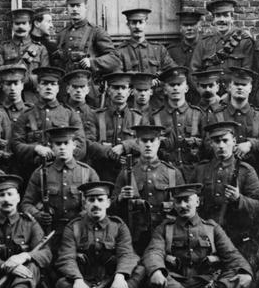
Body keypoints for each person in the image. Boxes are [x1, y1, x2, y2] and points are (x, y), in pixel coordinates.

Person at [142, 183, 253, 288]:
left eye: (187, 200)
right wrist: (156, 271)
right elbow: (154, 251)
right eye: (178, 201)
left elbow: (232, 254)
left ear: (197, 202)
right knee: (150, 271)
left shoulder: (212, 228)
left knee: (235, 274)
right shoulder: (165, 228)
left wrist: (246, 272)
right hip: (177, 283)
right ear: (173, 204)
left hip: (207, 283)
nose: (182, 206)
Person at [54, 181, 143, 288]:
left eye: (100, 200)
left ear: (108, 203)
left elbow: (126, 254)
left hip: (112, 282)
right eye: (91, 200)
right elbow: (66, 257)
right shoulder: (73, 227)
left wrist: (120, 277)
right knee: (61, 284)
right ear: (85, 204)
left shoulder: (118, 226)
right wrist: (77, 279)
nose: (96, 204)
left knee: (139, 270)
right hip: (85, 283)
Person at [192, 121, 259, 265]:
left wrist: (239, 199)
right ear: (211, 144)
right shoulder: (200, 170)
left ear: (234, 142)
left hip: (236, 239)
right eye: (216, 141)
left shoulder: (246, 171)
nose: (221, 145)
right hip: (206, 238)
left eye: (225, 140)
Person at [113, 125, 183, 255]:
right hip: (135, 238)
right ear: (137, 143)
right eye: (144, 141)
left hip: (165, 237)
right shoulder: (126, 172)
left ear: (159, 142)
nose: (148, 145)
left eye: (153, 140)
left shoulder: (172, 173)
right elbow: (111, 208)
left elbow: (184, 206)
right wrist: (121, 198)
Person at [21, 126, 99, 242]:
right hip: (49, 234)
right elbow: (26, 204)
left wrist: (85, 215)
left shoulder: (87, 172)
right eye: (58, 144)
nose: (62, 147)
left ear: (74, 145)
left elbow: (99, 203)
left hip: (80, 233)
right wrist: (38, 215)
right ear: (51, 146)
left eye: (66, 143)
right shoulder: (41, 173)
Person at [10, 66, 87, 181]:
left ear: (58, 88)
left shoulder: (69, 114)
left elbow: (81, 145)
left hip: (63, 175)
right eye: (44, 83)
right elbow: (16, 144)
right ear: (37, 87)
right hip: (32, 173)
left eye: (53, 84)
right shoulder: (26, 115)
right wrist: (36, 148)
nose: (49, 87)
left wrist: (60, 156)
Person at [207, 67, 259, 182]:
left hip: (256, 172)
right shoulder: (217, 116)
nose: (240, 87)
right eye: (236, 84)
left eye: (244, 85)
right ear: (229, 87)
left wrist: (251, 144)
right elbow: (207, 143)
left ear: (250, 88)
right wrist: (227, 148)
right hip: (223, 173)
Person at [147, 67, 206, 180]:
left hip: (195, 174)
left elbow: (208, 149)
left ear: (186, 88)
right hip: (166, 175)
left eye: (179, 84)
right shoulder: (156, 117)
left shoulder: (198, 114)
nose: (175, 88)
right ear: (164, 89)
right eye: (171, 85)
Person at [86, 72, 143, 182]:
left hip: (132, 176)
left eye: (123, 88)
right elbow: (88, 143)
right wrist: (109, 152)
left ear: (130, 91)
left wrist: (124, 146)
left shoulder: (138, 118)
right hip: (103, 175)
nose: (120, 91)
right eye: (116, 88)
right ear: (108, 90)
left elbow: (147, 141)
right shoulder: (96, 116)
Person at [53, 0, 119, 78]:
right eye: (72, 6)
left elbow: (114, 59)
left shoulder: (96, 31)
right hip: (66, 85)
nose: (75, 9)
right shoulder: (62, 34)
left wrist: (92, 62)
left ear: (86, 7)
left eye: (78, 5)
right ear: (67, 8)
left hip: (88, 84)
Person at [0, 8, 49, 104]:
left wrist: (23, 79)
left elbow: (44, 76)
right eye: (17, 24)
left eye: (24, 23)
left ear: (30, 26)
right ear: (12, 26)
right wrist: (19, 73)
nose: (20, 27)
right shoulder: (2, 47)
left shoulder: (40, 49)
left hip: (32, 98)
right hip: (7, 98)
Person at [190, 0, 253, 74]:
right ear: (213, 19)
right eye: (218, 16)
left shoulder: (244, 41)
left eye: (226, 15)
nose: (222, 19)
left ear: (232, 18)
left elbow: (248, 72)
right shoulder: (204, 43)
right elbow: (194, 72)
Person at [116, 8, 176, 74]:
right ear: (128, 25)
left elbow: (173, 71)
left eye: (141, 22)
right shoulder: (120, 52)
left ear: (146, 24)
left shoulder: (159, 50)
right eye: (133, 22)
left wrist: (159, 78)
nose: (137, 26)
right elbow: (119, 78)